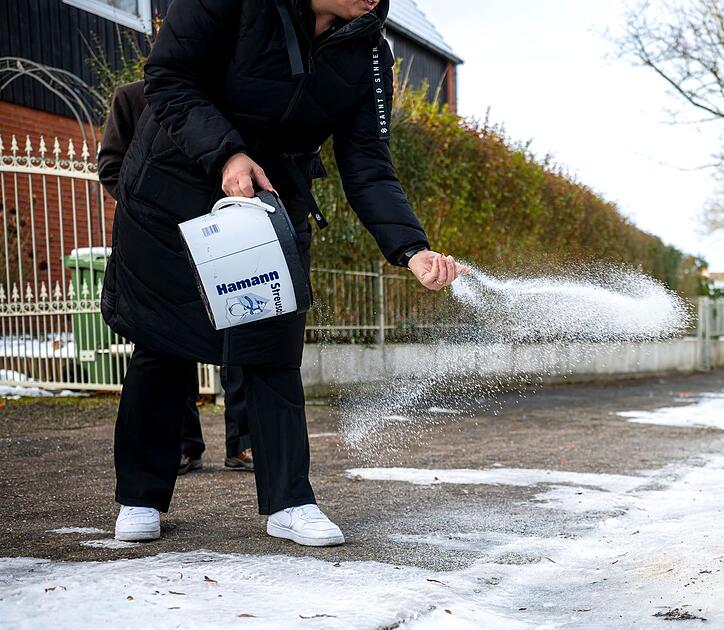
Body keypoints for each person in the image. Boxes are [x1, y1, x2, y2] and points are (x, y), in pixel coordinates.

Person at [104, 0, 461, 546]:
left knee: (272, 345)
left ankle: (290, 502)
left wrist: (410, 250)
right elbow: (169, 79)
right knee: (165, 341)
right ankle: (141, 496)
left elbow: (367, 162)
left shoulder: (369, 52)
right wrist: (227, 155)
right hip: (170, 185)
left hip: (270, 197)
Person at [97, 81, 254, 477]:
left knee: (238, 328)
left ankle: (244, 443)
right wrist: (149, 210)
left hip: (221, 234)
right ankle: (183, 445)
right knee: (167, 342)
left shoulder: (224, 93)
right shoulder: (133, 98)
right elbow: (111, 166)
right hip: (160, 239)